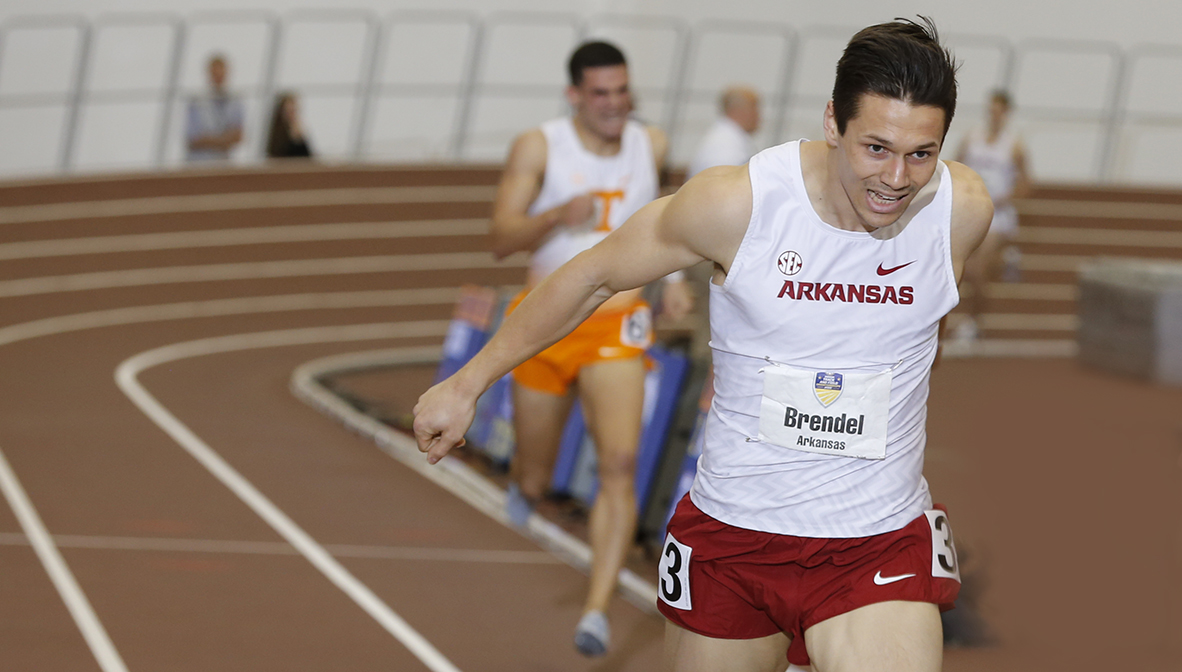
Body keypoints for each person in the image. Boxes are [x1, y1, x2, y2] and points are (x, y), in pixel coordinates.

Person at [415, 17, 993, 672]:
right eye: (876, 149)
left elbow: (926, 328)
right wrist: (468, 382)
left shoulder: (960, 209)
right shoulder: (738, 204)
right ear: (833, 123)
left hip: (873, 539)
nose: (896, 178)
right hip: (734, 537)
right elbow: (591, 274)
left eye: (922, 153)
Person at [481, 40, 692, 656]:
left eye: (621, 91)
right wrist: (555, 216)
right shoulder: (540, 146)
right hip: (543, 323)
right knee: (537, 473)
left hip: (615, 326)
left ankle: (597, 609)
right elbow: (498, 238)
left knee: (619, 466)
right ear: (574, 95)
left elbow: (665, 222)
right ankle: (527, 485)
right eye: (599, 93)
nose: (613, 104)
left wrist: (673, 283)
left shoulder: (649, 144)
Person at [953, 90, 1031, 341]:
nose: (994, 115)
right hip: (973, 210)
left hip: (998, 214)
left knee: (976, 270)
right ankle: (1007, 258)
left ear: (1006, 114)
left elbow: (1026, 183)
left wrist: (1004, 197)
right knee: (965, 269)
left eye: (999, 111)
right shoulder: (972, 138)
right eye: (991, 110)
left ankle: (973, 321)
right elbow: (956, 167)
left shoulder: (1014, 145)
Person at [687, 85, 762, 179]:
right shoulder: (725, 145)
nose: (759, 116)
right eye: (755, 109)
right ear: (740, 110)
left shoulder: (729, 137)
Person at [185, 54, 245, 162]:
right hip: (199, 162)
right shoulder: (197, 101)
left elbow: (239, 136)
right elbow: (193, 139)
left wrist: (211, 139)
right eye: (215, 72)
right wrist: (224, 140)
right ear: (209, 73)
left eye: (221, 72)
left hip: (224, 162)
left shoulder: (235, 101)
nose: (218, 76)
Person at [266, 92, 313, 158]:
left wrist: (298, 139)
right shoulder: (274, 132)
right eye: (289, 111)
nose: (292, 114)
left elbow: (306, 156)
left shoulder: (298, 130)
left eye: (294, 111)